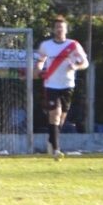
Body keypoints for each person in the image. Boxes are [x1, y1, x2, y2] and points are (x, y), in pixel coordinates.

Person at [34, 15, 88, 160]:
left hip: (68, 84)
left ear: (66, 29)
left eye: (61, 27)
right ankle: (57, 150)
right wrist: (39, 70)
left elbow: (85, 63)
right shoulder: (46, 45)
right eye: (57, 27)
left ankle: (51, 141)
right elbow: (40, 61)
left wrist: (75, 65)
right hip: (51, 84)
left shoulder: (73, 45)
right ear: (53, 29)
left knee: (61, 118)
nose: (59, 30)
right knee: (55, 114)